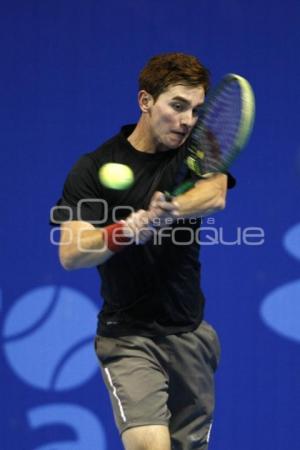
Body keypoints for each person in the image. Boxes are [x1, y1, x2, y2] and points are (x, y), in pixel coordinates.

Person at [52, 52, 235, 450]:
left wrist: (167, 212)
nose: (188, 120)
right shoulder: (92, 167)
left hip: (189, 335)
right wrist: (123, 231)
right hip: (127, 337)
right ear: (145, 101)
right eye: (178, 106)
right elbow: (71, 252)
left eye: (196, 109)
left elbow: (214, 193)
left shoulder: (198, 148)